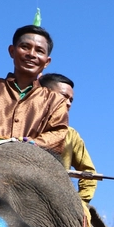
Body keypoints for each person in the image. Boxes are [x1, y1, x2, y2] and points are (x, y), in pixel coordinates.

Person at [0, 25, 69, 154]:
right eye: (25, 47)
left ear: (47, 62)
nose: (31, 54)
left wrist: (23, 145)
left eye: (39, 51)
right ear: (12, 51)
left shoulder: (55, 101)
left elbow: (57, 136)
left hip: (34, 168)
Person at [39, 73, 98, 202]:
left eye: (71, 100)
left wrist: (80, 204)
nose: (68, 103)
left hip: (56, 203)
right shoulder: (20, 126)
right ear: (42, 94)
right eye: (64, 96)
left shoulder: (71, 135)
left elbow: (89, 175)